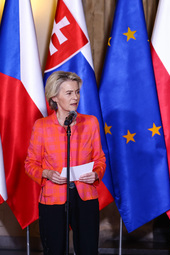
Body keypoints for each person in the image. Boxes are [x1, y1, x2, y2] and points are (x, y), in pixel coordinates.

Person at [25, 71, 106, 255]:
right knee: (55, 250)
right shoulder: (42, 126)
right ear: (54, 96)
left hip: (85, 196)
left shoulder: (90, 123)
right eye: (69, 93)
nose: (75, 97)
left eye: (77, 92)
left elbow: (100, 159)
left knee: (88, 250)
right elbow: (30, 164)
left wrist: (96, 174)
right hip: (53, 197)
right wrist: (46, 173)